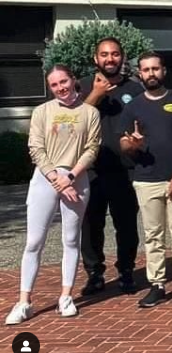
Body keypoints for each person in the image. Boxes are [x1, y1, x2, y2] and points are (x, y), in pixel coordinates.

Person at [5, 65, 101, 325]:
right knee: (34, 242)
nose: (61, 88)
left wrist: (70, 177)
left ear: (73, 80)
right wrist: (57, 179)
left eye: (64, 81)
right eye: (55, 84)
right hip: (45, 180)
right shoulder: (42, 112)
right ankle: (24, 301)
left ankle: (66, 297)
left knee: (71, 239)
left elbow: (92, 149)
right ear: (51, 88)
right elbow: (35, 148)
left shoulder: (89, 113)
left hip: (77, 179)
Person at [119, 52, 172, 308]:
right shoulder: (133, 106)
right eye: (146, 70)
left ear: (163, 71)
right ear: (139, 74)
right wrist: (133, 144)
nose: (151, 74)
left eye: (155, 69)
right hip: (146, 180)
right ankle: (157, 284)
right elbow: (123, 143)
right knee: (153, 234)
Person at [79, 37, 143, 295]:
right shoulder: (82, 86)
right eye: (104, 55)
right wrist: (95, 94)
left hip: (125, 169)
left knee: (126, 225)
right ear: (96, 59)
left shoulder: (135, 90)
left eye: (115, 54)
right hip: (91, 169)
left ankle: (126, 272)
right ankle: (95, 274)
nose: (110, 59)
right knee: (91, 225)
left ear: (122, 57)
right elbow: (74, 122)